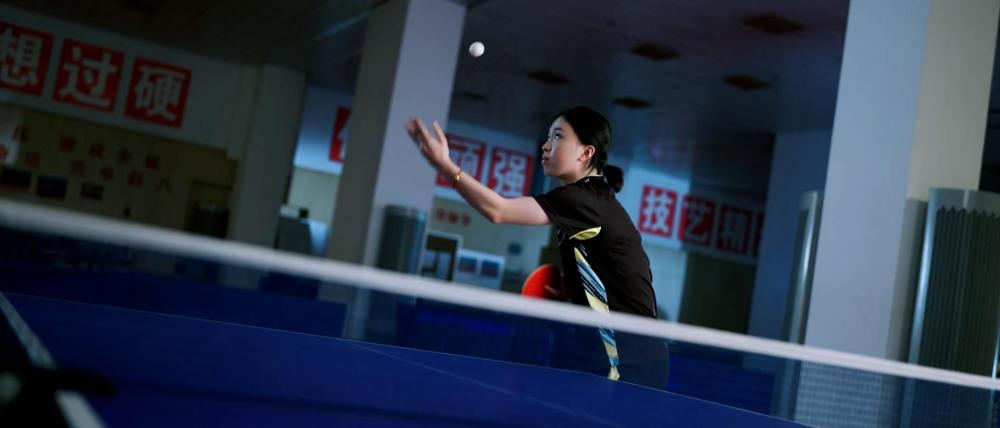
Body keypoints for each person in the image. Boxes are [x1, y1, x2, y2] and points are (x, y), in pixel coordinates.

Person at [405, 106, 668, 388]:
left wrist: (446, 167)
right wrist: (570, 290)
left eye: (558, 137)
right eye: (548, 136)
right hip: (629, 357)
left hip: (628, 362)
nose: (545, 145)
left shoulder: (582, 199)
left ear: (585, 152)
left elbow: (499, 211)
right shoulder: (592, 198)